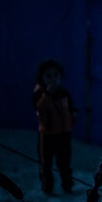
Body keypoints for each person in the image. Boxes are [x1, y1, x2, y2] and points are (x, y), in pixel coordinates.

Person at [32, 58, 77, 194]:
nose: (53, 79)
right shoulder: (40, 94)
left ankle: (67, 186)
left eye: (56, 75)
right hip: (47, 135)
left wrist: (74, 114)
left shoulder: (64, 93)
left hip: (64, 134)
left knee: (64, 162)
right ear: (42, 78)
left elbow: (70, 108)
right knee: (46, 164)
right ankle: (48, 188)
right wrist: (47, 94)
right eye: (48, 76)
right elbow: (39, 108)